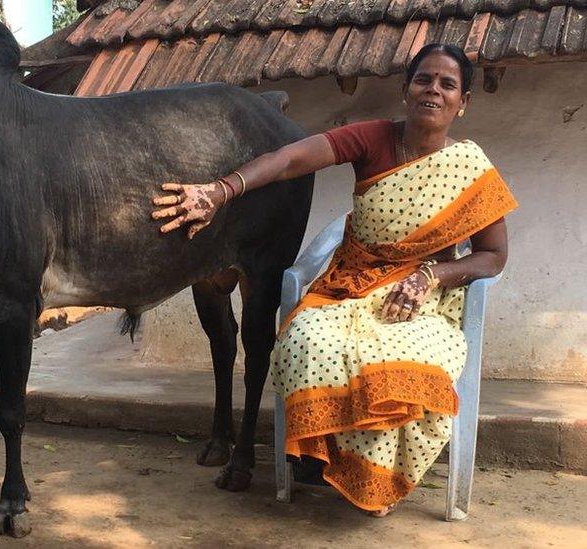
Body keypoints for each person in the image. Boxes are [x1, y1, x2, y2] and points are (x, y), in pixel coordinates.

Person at [150, 43, 518, 516]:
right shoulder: (374, 138)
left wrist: (434, 274)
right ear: (407, 89)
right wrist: (220, 191)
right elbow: (290, 160)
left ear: (462, 102)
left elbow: (493, 257)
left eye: (448, 84)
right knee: (306, 339)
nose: (434, 90)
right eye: (424, 79)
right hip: (347, 284)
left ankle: (372, 477)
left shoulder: (471, 169)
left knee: (399, 361)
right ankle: (320, 459)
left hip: (422, 297)